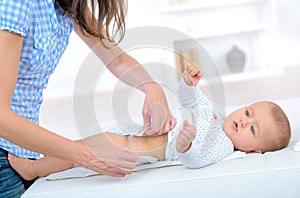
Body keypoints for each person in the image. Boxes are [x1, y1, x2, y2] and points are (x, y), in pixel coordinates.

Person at [0, 0, 176, 196]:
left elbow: (116, 59)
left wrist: (151, 87)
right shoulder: (17, 2)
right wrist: (86, 155)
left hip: (23, 152)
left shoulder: (66, 4)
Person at [8, 63, 291, 181]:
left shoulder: (224, 147)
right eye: (248, 112)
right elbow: (190, 102)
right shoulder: (216, 113)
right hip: (140, 135)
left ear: (254, 151)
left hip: (142, 151)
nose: (243, 120)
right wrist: (188, 84)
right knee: (87, 142)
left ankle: (33, 169)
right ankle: (46, 158)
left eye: (253, 129)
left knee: (86, 149)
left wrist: (186, 144)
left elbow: (195, 159)